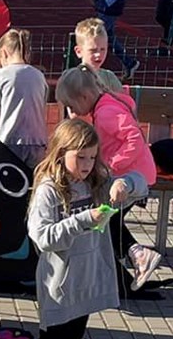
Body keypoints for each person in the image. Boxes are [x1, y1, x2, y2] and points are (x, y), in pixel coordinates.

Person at [25, 119, 142, 339]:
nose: (88, 164)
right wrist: (83, 220)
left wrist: (125, 184)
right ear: (61, 152)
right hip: (58, 283)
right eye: (81, 157)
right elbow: (42, 237)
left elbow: (142, 181)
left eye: (92, 157)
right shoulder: (48, 189)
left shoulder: (96, 181)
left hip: (87, 277)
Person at [55, 64, 161, 294]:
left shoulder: (105, 113)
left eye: (73, 106)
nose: (73, 111)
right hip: (133, 173)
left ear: (84, 97)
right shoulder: (109, 103)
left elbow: (134, 138)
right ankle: (131, 261)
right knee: (108, 220)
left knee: (105, 219)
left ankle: (138, 256)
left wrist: (112, 165)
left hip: (130, 176)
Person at [0, 28, 50, 163]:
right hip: (38, 142)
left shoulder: (1, 75)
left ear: (4, 53)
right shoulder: (39, 76)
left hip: (11, 141)